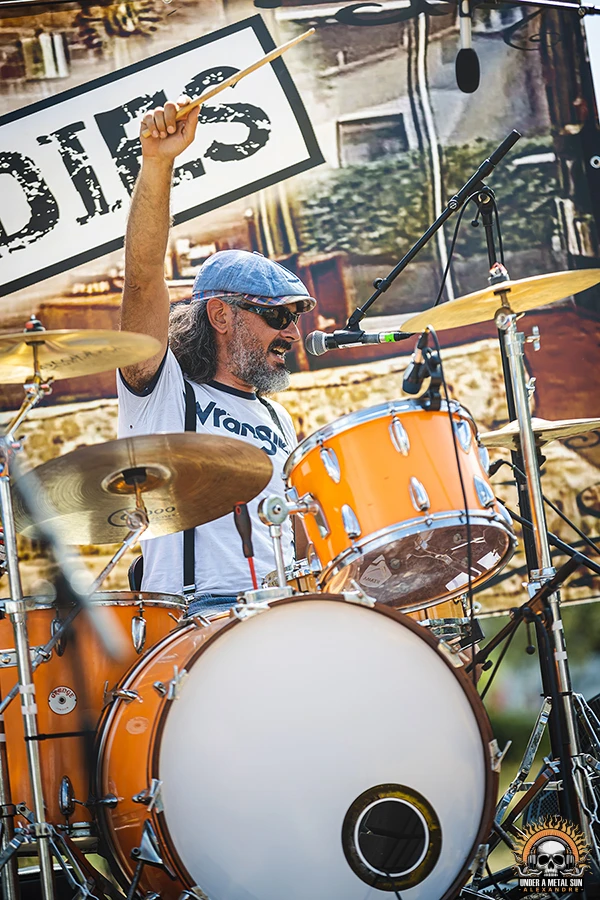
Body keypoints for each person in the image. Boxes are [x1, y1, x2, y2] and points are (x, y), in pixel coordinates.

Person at [117, 98, 315, 616]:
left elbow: (296, 527)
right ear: (222, 316)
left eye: (296, 316)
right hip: (193, 621)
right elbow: (141, 281)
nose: (292, 332)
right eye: (277, 316)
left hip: (280, 614)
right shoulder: (162, 394)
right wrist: (158, 164)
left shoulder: (277, 416)